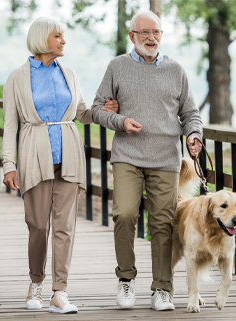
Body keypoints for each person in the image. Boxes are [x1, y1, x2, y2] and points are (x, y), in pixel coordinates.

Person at [1, 17, 118, 314]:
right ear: (43, 39)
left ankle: (59, 292)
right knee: (38, 225)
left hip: (69, 153)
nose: (63, 41)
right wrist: (8, 165)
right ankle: (36, 284)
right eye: (58, 36)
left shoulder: (69, 73)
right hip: (33, 155)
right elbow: (9, 125)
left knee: (65, 227)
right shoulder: (17, 77)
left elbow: (80, 113)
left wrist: (102, 110)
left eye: (63, 36)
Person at [91, 10, 203, 311]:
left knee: (163, 223)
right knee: (125, 214)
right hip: (128, 155)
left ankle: (162, 289)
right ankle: (126, 280)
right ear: (132, 36)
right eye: (144, 33)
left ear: (161, 35)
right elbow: (97, 110)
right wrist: (121, 121)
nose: (151, 38)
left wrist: (194, 135)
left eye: (156, 32)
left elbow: (190, 113)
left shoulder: (176, 70)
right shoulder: (117, 66)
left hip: (166, 158)